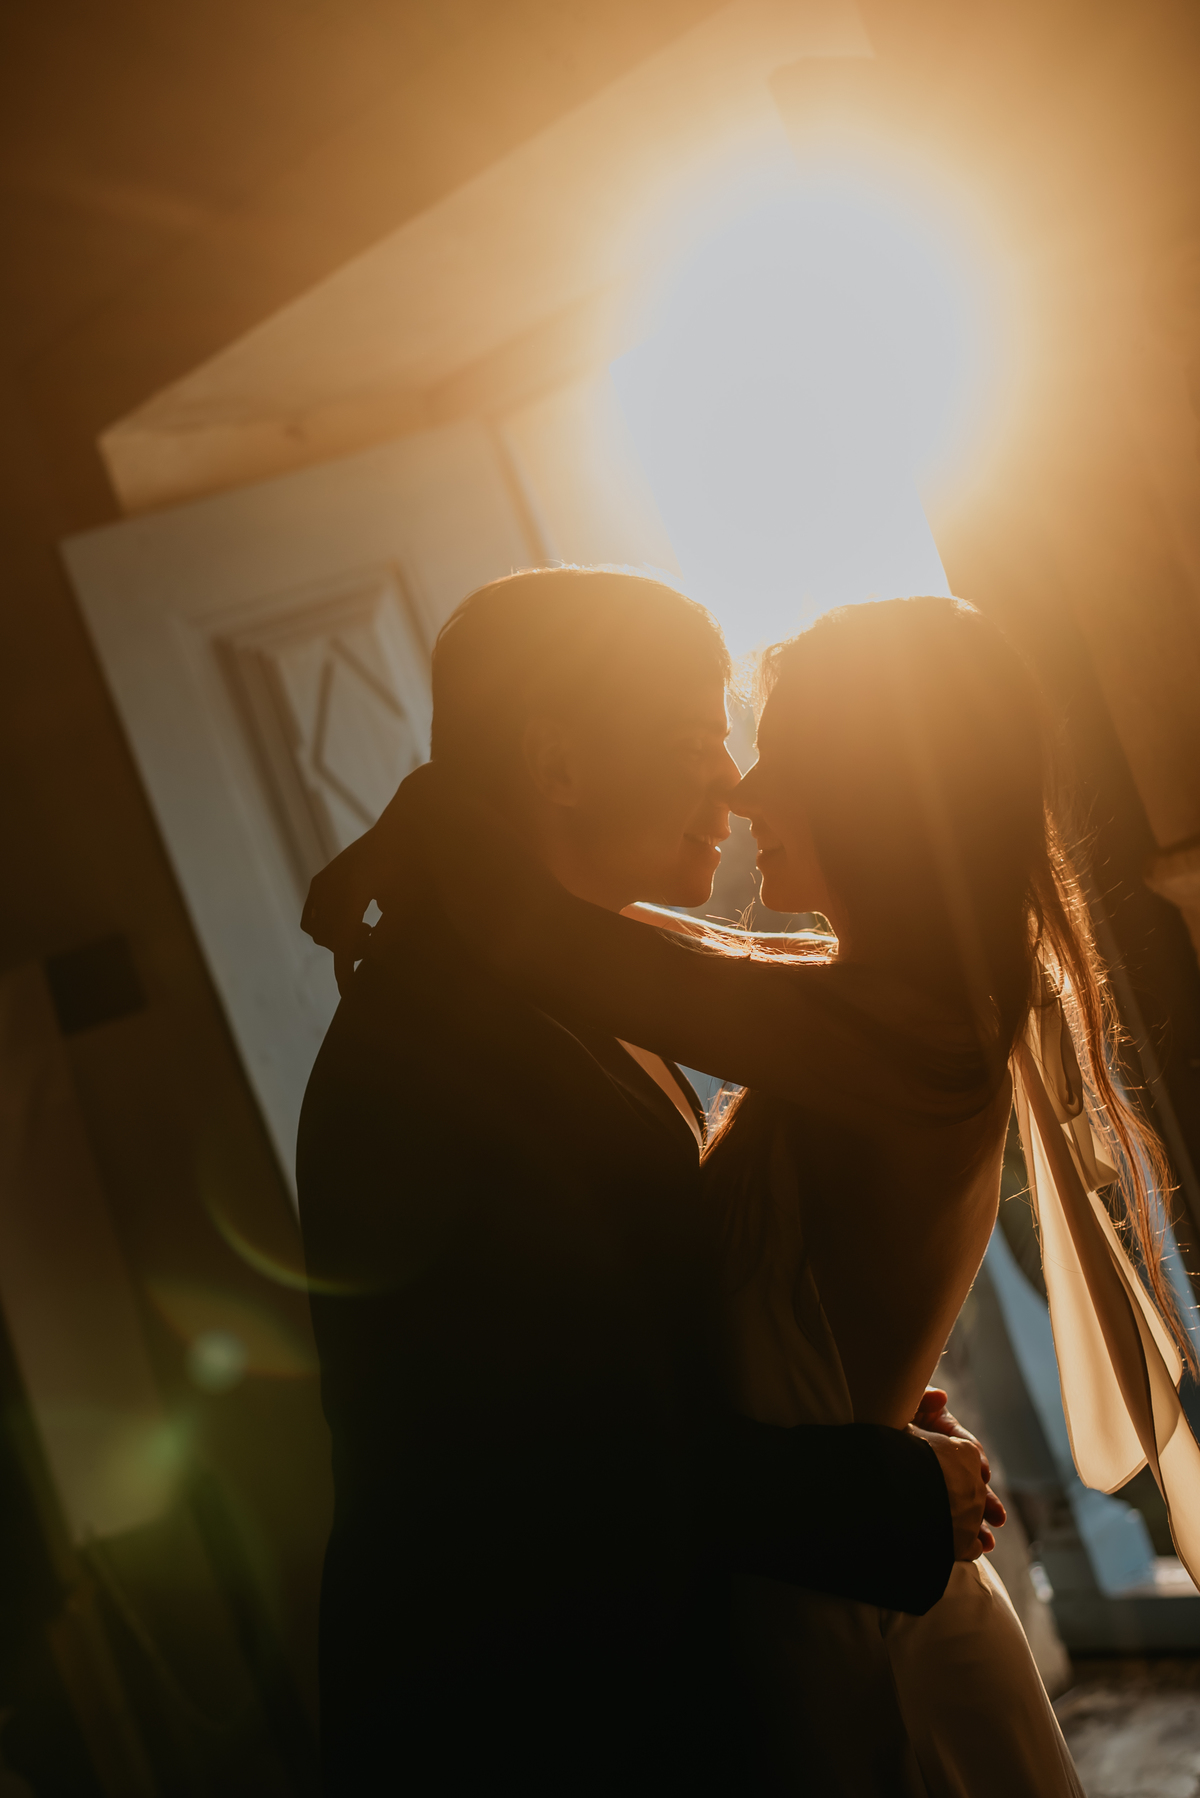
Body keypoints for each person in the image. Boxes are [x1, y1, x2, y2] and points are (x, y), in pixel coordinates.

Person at [343, 590, 1200, 1794]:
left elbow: (592, 950)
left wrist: (424, 823)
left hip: (853, 1630)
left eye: (782, 756)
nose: (744, 790)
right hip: (806, 1592)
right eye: (720, 746)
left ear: (879, 794)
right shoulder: (875, 995)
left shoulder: (915, 1029)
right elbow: (688, 957)